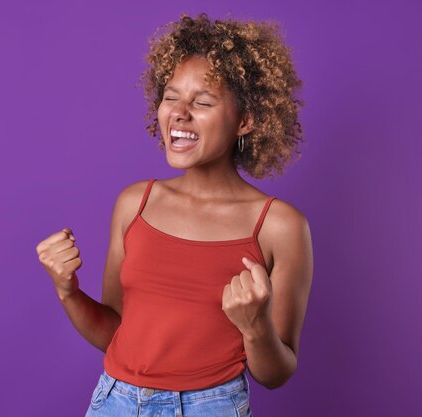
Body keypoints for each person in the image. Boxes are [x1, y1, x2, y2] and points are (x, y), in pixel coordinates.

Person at [35, 13, 313, 417]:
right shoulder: (135, 203)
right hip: (113, 401)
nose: (180, 113)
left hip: (210, 406)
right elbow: (115, 330)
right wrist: (67, 290)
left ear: (246, 120)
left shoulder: (280, 225)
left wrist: (255, 327)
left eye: (202, 102)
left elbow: (276, 373)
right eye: (170, 96)